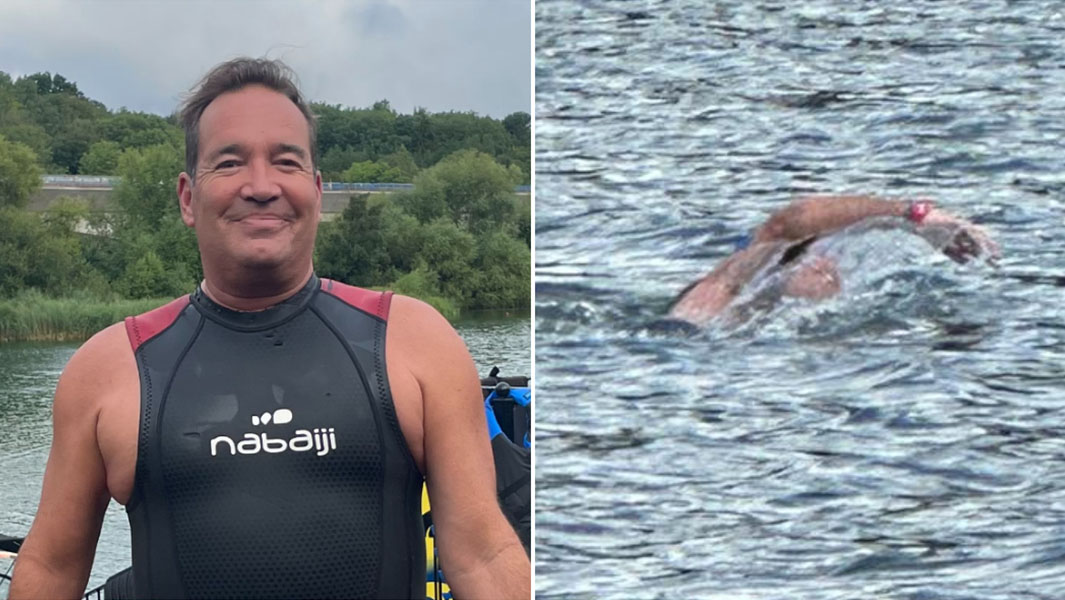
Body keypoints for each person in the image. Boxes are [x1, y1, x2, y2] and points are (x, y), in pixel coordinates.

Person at [10, 58, 530, 599]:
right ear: (188, 197)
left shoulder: (415, 342)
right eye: (230, 163)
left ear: (317, 188)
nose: (261, 186)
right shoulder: (108, 369)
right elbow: (50, 570)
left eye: (285, 162)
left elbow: (484, 556)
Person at [668, 195, 1000, 327]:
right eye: (815, 260)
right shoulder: (721, 292)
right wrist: (914, 214)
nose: (827, 268)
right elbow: (786, 223)